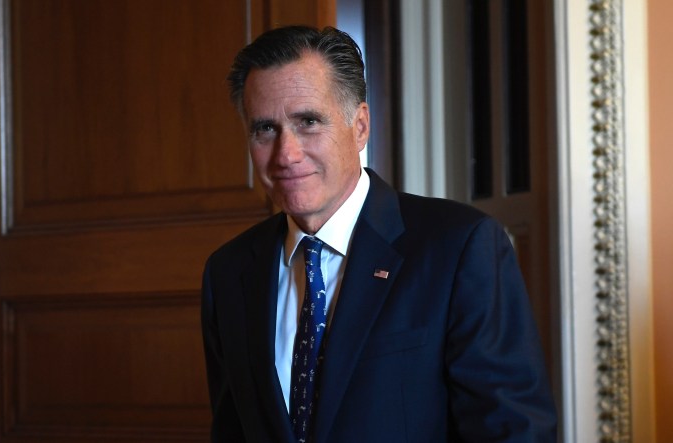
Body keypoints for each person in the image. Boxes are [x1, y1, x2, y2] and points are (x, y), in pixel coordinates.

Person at [201, 25, 557, 443]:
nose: (286, 154)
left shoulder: (460, 247)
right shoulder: (228, 272)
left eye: (309, 121)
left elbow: (513, 432)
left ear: (361, 126)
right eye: (265, 129)